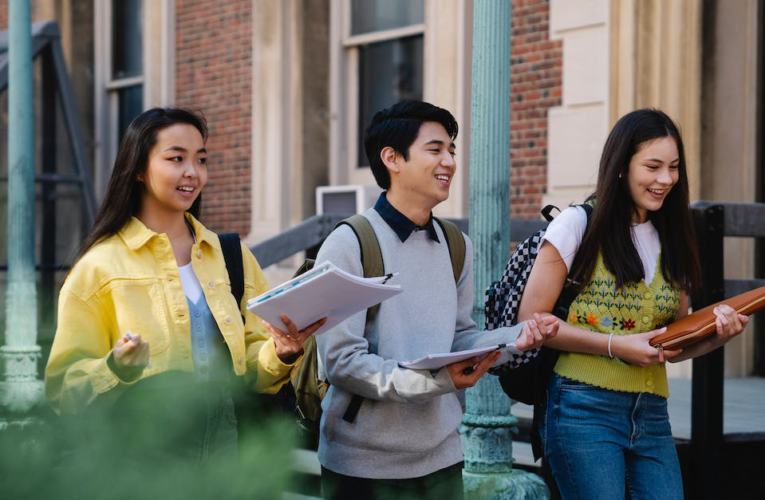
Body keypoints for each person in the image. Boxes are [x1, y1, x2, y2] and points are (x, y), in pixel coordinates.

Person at [44, 107, 325, 466]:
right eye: (176, 158)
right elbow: (64, 391)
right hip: (141, 457)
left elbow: (251, 372)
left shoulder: (231, 255)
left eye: (201, 160)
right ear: (140, 170)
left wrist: (284, 351)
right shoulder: (99, 267)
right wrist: (115, 368)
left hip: (230, 450)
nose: (193, 172)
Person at [315, 100, 559, 500]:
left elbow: (459, 340)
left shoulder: (456, 245)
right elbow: (342, 363)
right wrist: (430, 382)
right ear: (391, 158)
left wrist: (516, 339)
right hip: (362, 465)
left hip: (443, 458)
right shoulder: (349, 244)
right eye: (435, 149)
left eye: (452, 150)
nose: (449, 161)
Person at [519, 108, 749, 499]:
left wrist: (717, 335)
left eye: (674, 167)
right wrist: (615, 345)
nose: (666, 179)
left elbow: (671, 344)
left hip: (652, 413)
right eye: (653, 166)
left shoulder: (672, 232)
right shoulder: (577, 225)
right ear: (622, 166)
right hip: (580, 408)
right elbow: (532, 320)